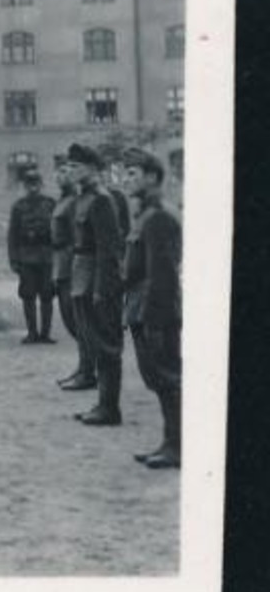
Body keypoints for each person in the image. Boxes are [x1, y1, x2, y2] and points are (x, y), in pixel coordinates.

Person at [122, 148, 182, 469]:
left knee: (168, 378)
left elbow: (163, 275)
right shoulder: (145, 215)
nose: (126, 179)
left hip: (155, 312)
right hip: (141, 308)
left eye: (132, 173)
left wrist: (154, 320)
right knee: (159, 379)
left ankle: (177, 446)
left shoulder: (159, 216)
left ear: (152, 177)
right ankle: (170, 442)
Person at [67, 143, 126, 426]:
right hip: (82, 276)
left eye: (78, 166)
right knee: (93, 341)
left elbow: (109, 249)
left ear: (92, 169)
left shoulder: (102, 199)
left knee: (106, 344)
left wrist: (104, 289)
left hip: (96, 280)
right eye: (72, 166)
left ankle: (109, 408)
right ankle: (102, 403)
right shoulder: (84, 198)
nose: (73, 171)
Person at [51, 158, 95, 391]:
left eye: (67, 171)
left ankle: (89, 371)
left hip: (71, 264)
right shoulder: (64, 200)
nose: (61, 176)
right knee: (70, 320)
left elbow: (77, 236)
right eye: (59, 172)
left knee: (79, 321)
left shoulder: (76, 201)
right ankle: (84, 367)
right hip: (61, 263)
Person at [7, 166, 58, 344]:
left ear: (41, 184)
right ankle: (32, 333)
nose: (33, 187)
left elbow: (59, 232)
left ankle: (45, 334)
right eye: (29, 184)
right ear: (24, 186)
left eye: (36, 183)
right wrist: (13, 260)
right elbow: (12, 235)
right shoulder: (19, 207)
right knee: (28, 296)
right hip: (26, 257)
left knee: (47, 295)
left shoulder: (51, 204)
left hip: (46, 256)